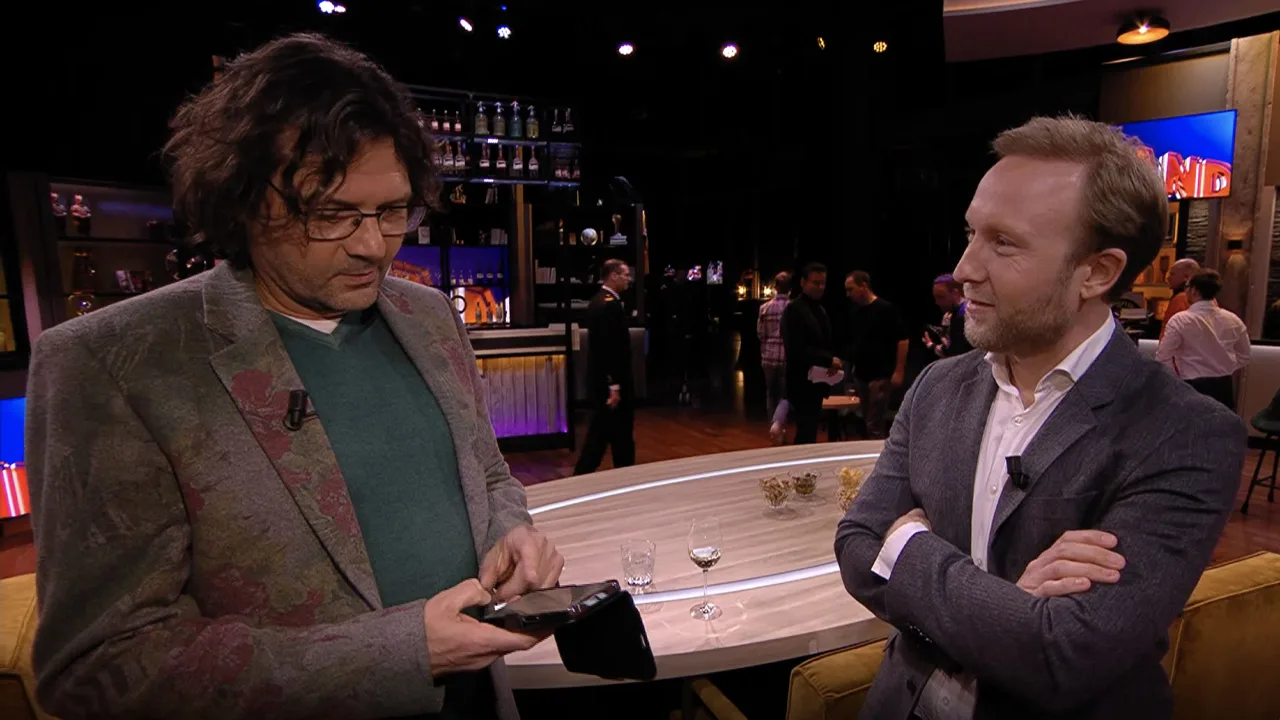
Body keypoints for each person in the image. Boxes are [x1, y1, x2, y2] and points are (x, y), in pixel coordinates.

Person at [25, 34, 563, 720]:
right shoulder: (111, 363)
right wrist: (403, 652)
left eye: (392, 211)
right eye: (330, 215)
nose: (372, 246)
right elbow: (100, 667)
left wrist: (511, 533)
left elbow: (488, 474)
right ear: (242, 201)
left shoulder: (429, 315)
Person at [835, 116, 1244, 719]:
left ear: (1097, 273)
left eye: (1004, 242)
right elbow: (855, 544)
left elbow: (1062, 656)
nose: (964, 268)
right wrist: (1012, 605)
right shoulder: (937, 386)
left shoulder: (1186, 433)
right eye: (971, 233)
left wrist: (906, 546)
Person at [573, 259, 636, 475]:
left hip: (603, 381)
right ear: (613, 275)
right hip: (610, 384)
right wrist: (614, 385)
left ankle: (624, 474)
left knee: (614, 434)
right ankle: (585, 474)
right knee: (605, 434)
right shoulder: (609, 305)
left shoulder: (599, 301)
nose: (629, 279)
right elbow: (609, 349)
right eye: (625, 274)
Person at [1156, 269, 1250, 410]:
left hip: (1191, 385)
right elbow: (1245, 356)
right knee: (1222, 423)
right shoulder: (1233, 320)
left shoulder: (1180, 320)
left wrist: (1176, 380)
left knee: (1191, 423)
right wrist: (1224, 367)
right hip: (1224, 386)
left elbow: (1163, 357)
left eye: (1186, 287)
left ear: (1194, 290)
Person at [845, 271, 909, 438]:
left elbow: (902, 339)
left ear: (864, 286)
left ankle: (877, 452)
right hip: (861, 374)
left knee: (874, 423)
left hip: (880, 374)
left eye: (851, 289)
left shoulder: (885, 309)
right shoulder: (856, 311)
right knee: (866, 418)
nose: (848, 294)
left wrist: (899, 370)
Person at [783, 263, 840, 444]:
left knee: (810, 429)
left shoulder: (819, 309)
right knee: (805, 432)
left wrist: (830, 362)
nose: (820, 287)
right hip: (801, 382)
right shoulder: (794, 309)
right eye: (816, 283)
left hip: (816, 381)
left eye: (823, 283)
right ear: (803, 282)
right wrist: (828, 360)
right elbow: (796, 348)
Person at [757, 271, 790, 442]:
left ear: (775, 287)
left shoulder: (764, 308)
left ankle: (772, 427)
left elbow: (760, 334)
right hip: (786, 358)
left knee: (771, 394)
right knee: (785, 395)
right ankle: (780, 426)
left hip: (768, 357)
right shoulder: (793, 308)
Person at [924, 273, 972, 359]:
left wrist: (931, 346)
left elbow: (955, 353)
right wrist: (943, 334)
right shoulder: (959, 312)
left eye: (941, 297)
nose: (937, 302)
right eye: (936, 297)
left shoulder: (962, 316)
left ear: (955, 293)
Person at [1159, 257, 1200, 338]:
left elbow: (1171, 331)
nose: (1168, 278)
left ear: (1186, 277)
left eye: (1172, 274)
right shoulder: (1210, 299)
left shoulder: (1181, 299)